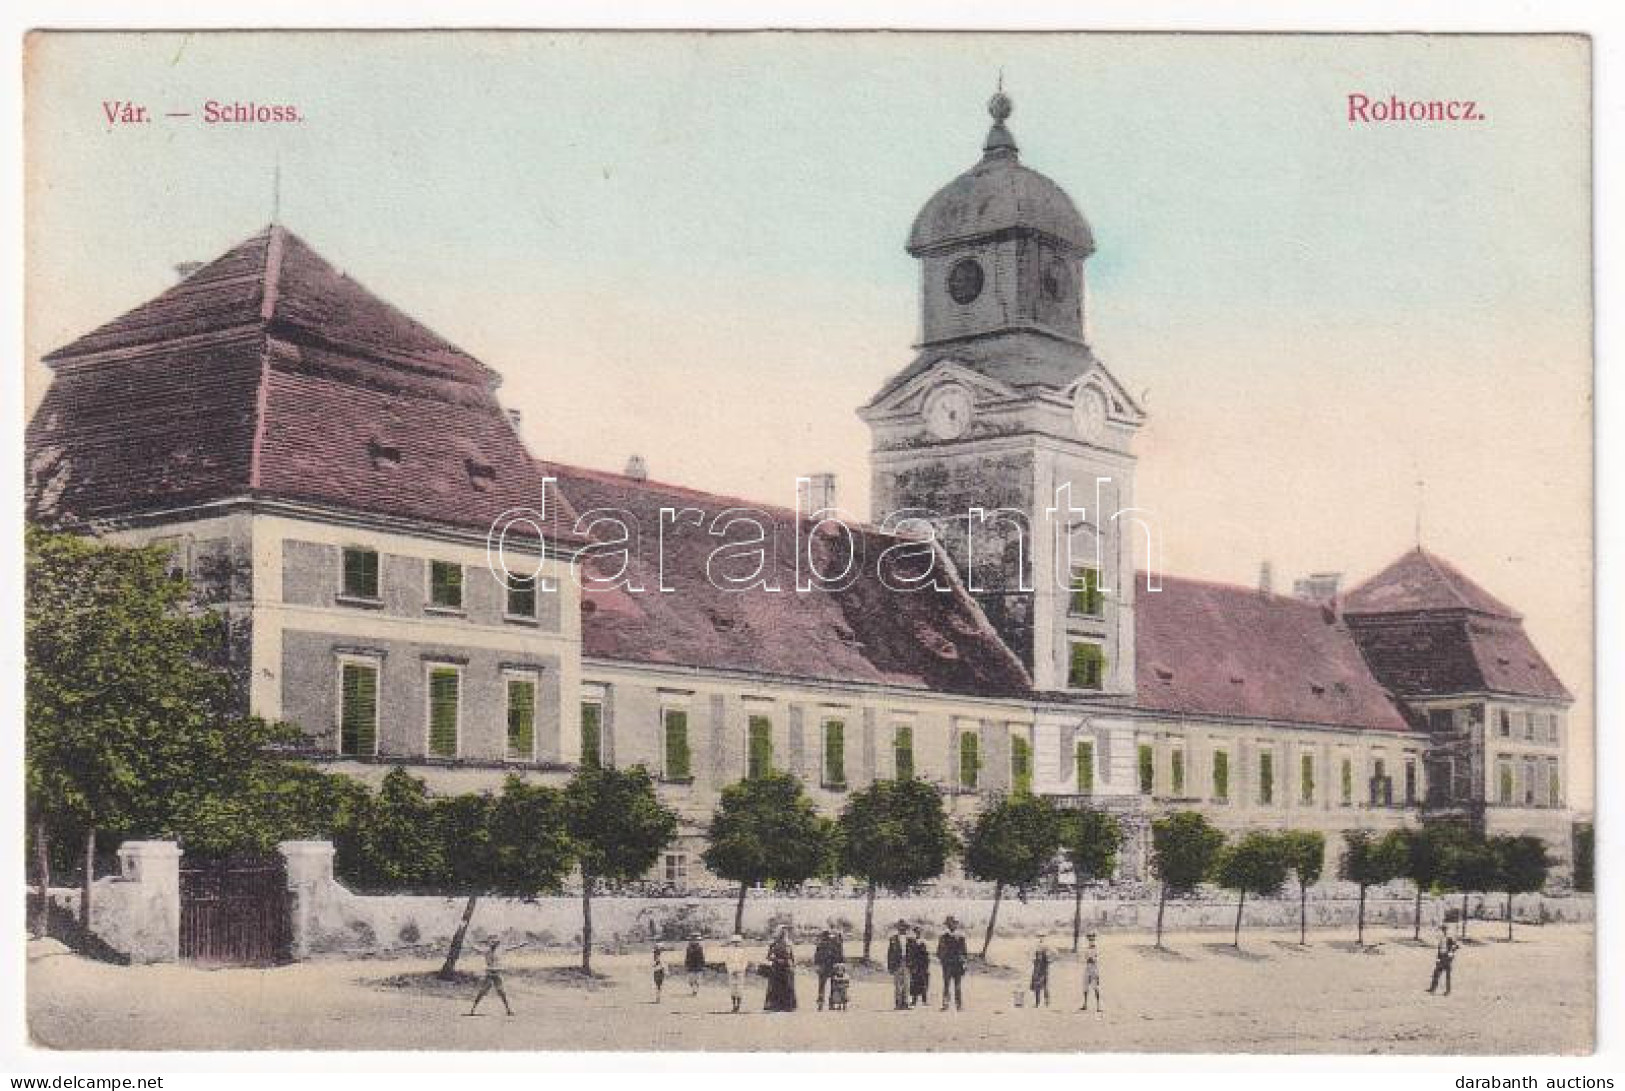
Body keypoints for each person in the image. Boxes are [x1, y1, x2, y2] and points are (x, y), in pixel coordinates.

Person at [466, 936, 514, 1017]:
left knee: (502, 993)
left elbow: (511, 948)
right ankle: (473, 1010)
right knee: (482, 992)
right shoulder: (486, 951)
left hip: (497, 974)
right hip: (490, 974)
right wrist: (469, 943)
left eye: (495, 943)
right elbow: (476, 949)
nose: (494, 944)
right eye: (492, 943)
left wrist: (521, 945)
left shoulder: (499, 951)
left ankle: (508, 1010)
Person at [937, 916, 969, 1011]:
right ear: (947, 925)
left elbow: (964, 952)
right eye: (950, 923)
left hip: (958, 965)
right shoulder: (943, 937)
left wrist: (963, 963)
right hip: (947, 965)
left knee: (957, 985)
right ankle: (945, 1004)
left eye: (953, 923)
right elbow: (939, 951)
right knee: (946, 985)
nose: (952, 925)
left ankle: (959, 1005)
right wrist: (943, 960)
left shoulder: (961, 937)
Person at [764, 926, 798, 1012]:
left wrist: (793, 965)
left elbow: (792, 956)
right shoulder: (774, 944)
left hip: (787, 967)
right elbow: (768, 957)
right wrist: (776, 959)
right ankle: (776, 1006)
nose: (783, 934)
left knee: (788, 985)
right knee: (777, 986)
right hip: (777, 967)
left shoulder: (789, 944)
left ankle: (788, 1006)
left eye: (785, 932)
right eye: (782, 932)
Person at [1427, 924, 1459, 996]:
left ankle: (1448, 991)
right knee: (1436, 973)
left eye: (1444, 929)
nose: (1443, 931)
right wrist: (1438, 957)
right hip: (1441, 957)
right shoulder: (1441, 938)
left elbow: (1456, 946)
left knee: (1447, 975)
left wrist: (1451, 952)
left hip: (1447, 958)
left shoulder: (1450, 938)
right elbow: (1439, 948)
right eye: (1443, 929)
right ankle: (1433, 988)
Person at [814, 929, 841, 1011]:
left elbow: (816, 956)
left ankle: (821, 1003)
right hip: (831, 967)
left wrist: (817, 965)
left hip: (823, 967)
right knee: (833, 985)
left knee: (821, 986)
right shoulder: (834, 944)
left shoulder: (820, 944)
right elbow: (838, 956)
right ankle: (831, 1003)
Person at [886, 920, 910, 1010]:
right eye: (900, 927)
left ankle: (906, 1003)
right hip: (897, 963)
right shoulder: (893, 939)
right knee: (897, 984)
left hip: (907, 963)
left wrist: (913, 965)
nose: (902, 928)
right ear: (898, 928)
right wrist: (890, 966)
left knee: (906, 984)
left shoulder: (910, 939)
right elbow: (890, 953)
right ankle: (898, 1003)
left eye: (904, 927)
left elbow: (913, 954)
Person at [724, 934, 750, 1014]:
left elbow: (745, 962)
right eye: (734, 942)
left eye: (738, 942)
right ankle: (733, 1005)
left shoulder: (743, 951)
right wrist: (731, 970)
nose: (736, 944)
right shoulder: (729, 951)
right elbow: (727, 961)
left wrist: (740, 970)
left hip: (740, 972)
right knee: (732, 989)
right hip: (731, 971)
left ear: (740, 943)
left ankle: (738, 1006)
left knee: (739, 989)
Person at [906, 926, 931, 1008]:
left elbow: (927, 955)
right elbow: (910, 954)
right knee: (914, 983)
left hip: (923, 965)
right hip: (915, 965)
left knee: (924, 982)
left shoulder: (924, 942)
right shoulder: (911, 942)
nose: (918, 933)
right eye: (916, 932)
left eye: (919, 932)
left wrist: (927, 965)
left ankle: (924, 1000)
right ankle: (914, 1000)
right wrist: (911, 965)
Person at [1080, 932, 1102, 1012]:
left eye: (1092, 939)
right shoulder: (1086, 949)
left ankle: (1098, 1006)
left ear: (1094, 939)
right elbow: (1084, 958)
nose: (1091, 940)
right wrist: (1087, 959)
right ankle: (1085, 1004)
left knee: (1095, 987)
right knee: (1085, 987)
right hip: (1087, 968)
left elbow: (1096, 959)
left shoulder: (1096, 948)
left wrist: (1092, 959)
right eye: (1089, 939)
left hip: (1094, 969)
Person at [1030, 933, 1052, 1008]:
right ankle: (1037, 1002)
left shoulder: (1047, 946)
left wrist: (1047, 961)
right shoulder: (1036, 946)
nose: (1040, 938)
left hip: (1043, 967)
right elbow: (1032, 956)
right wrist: (1035, 961)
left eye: (1042, 936)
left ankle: (1047, 1001)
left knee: (1045, 984)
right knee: (1036, 984)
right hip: (1037, 967)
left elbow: (1050, 957)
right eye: (1039, 936)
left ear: (1045, 937)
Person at [684, 932, 708, 997]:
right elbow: (687, 957)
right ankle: (694, 989)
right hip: (691, 966)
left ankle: (695, 991)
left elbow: (702, 957)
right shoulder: (688, 948)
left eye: (696, 940)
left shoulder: (700, 948)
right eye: (693, 939)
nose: (694, 941)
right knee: (690, 980)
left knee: (697, 979)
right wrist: (686, 964)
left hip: (698, 966)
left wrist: (703, 965)